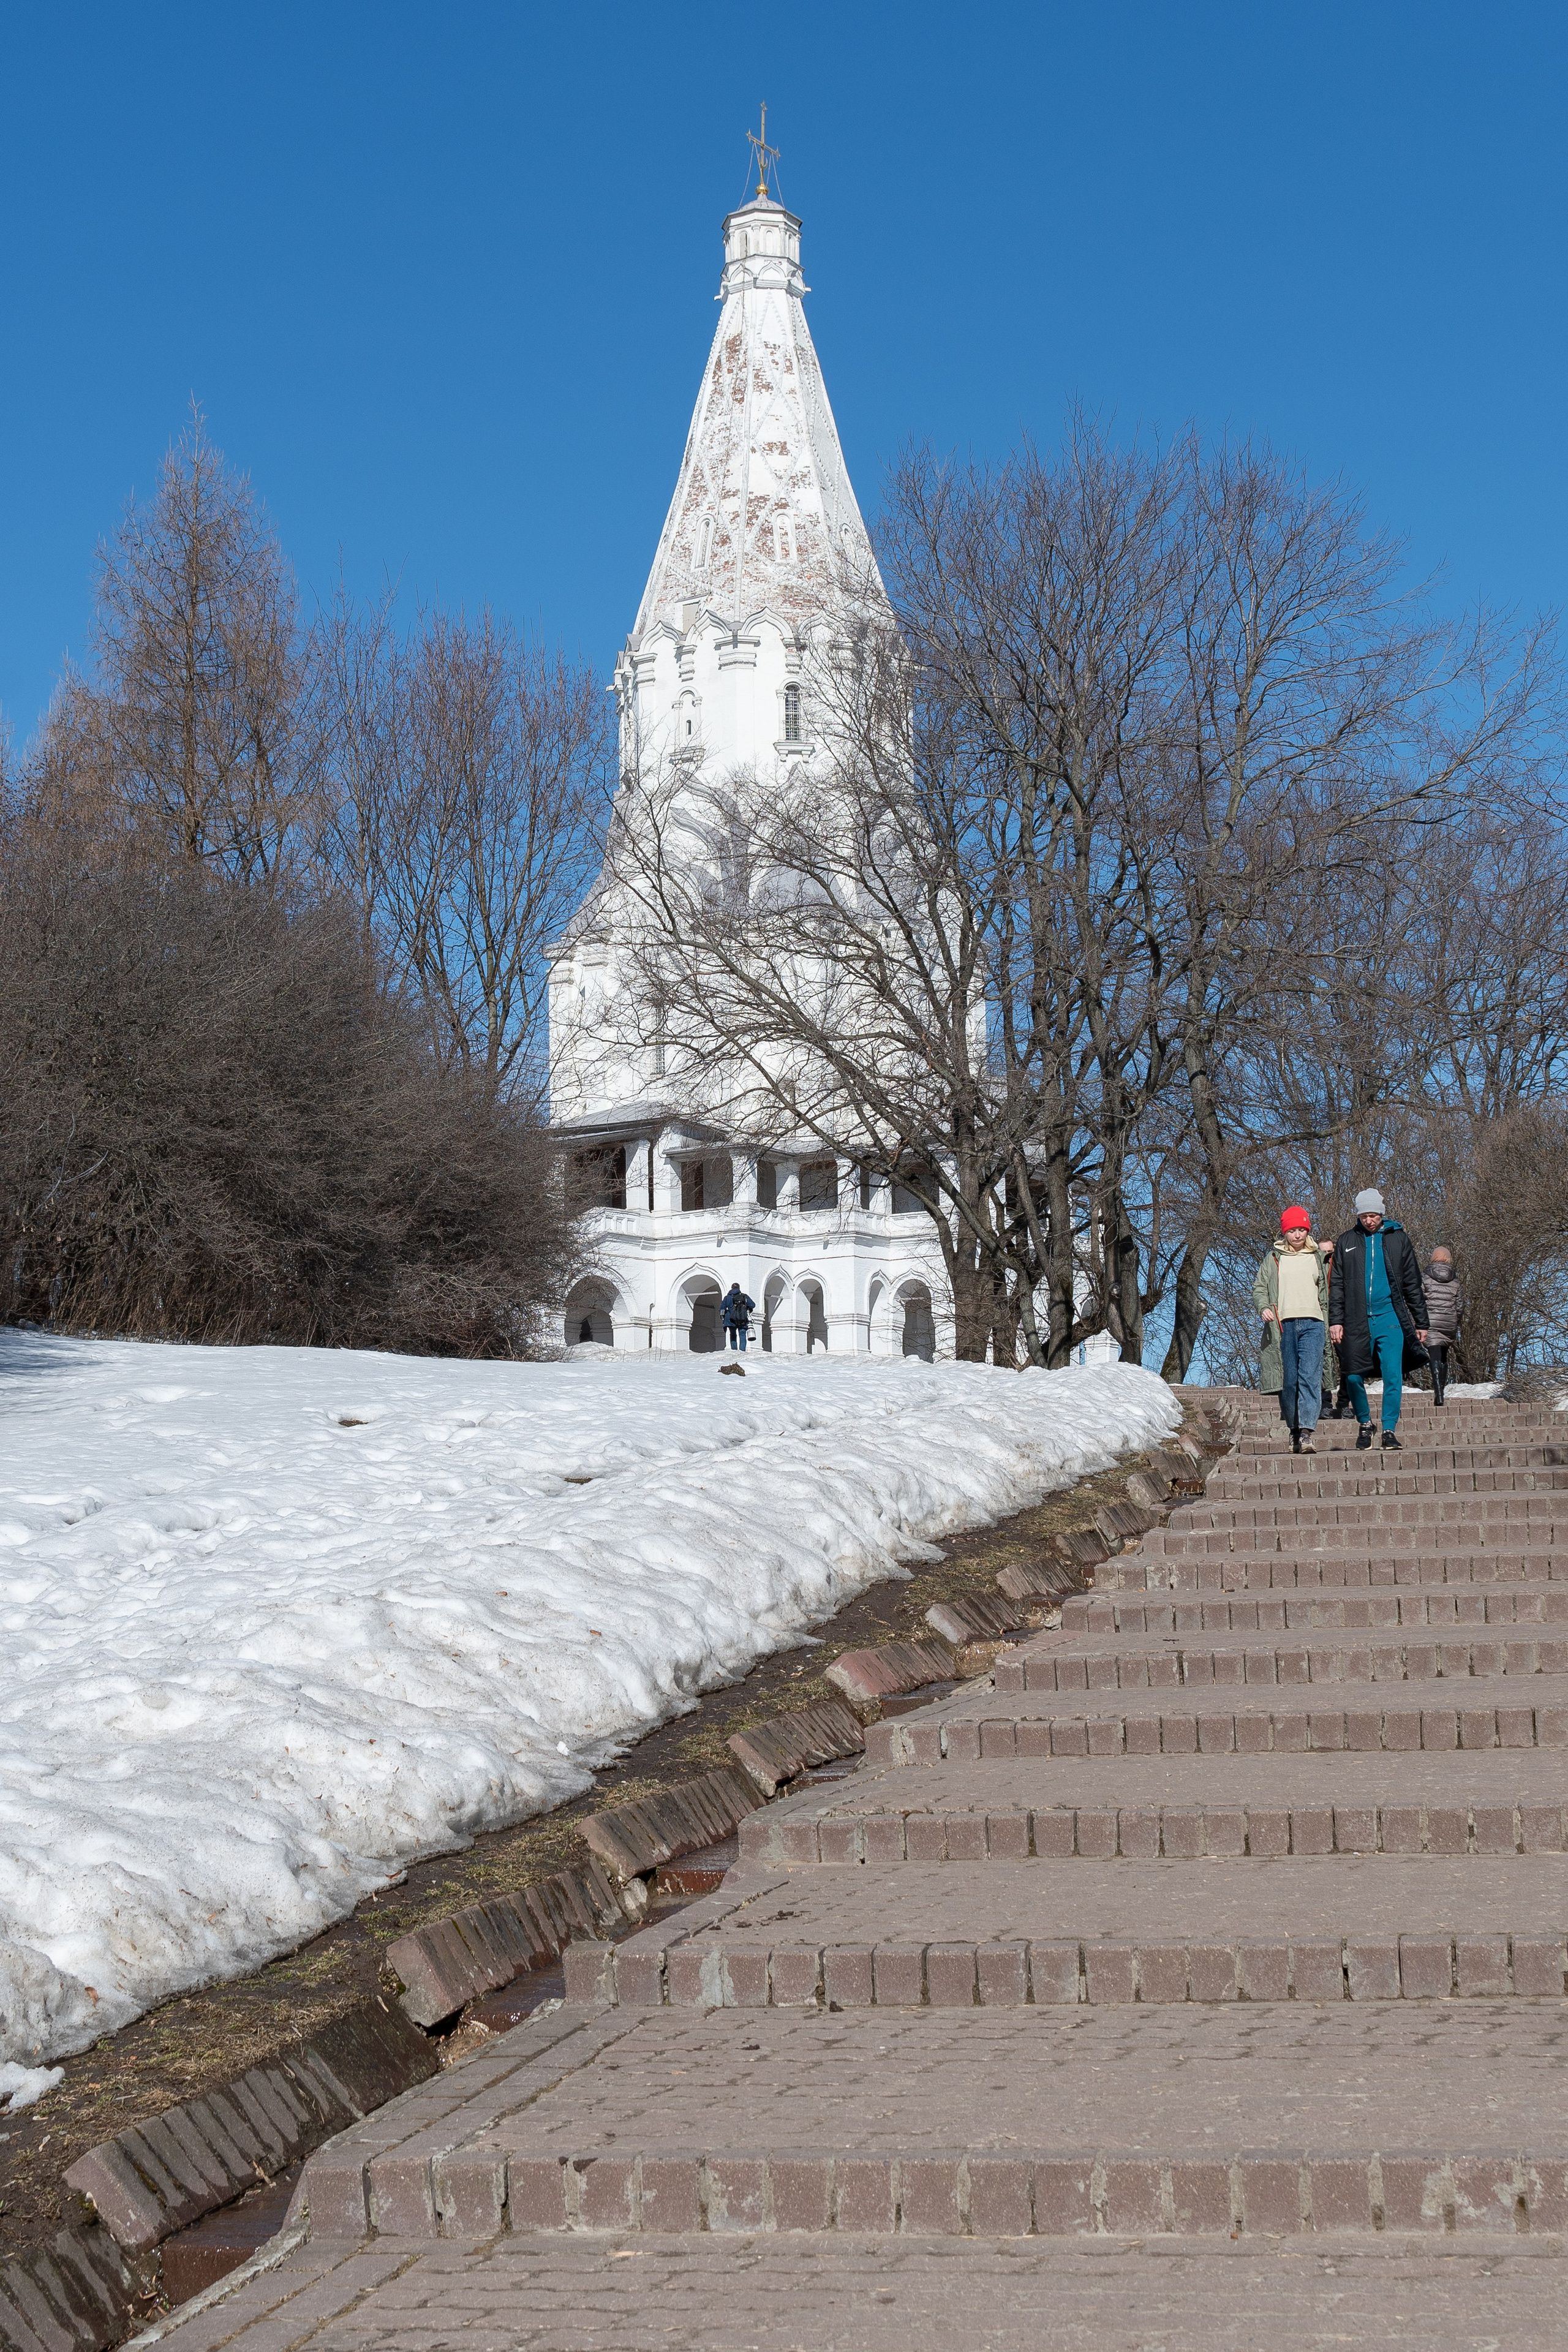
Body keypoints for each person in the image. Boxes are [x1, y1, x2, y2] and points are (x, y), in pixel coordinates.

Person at [1328, 1188, 1431, 1451]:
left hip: (1390, 1318)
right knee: (1352, 1376)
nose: (1369, 1220)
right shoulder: (1347, 1240)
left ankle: (1388, 1430)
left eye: (1373, 1215)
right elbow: (1336, 1284)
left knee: (1393, 1376)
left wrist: (1421, 1322)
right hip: (1355, 1319)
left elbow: (1412, 1283)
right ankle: (1365, 1423)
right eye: (1364, 1216)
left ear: (1382, 1214)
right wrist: (1336, 1320)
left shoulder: (1399, 1239)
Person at [1254, 1206, 1332, 1453]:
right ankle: (1294, 1430)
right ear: (1284, 1232)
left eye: (1301, 1230)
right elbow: (1260, 1287)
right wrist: (1264, 1307)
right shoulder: (1274, 1258)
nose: (1297, 1235)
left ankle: (1307, 1433)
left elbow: (1330, 1291)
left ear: (1307, 1230)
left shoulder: (1319, 1257)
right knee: (1289, 1381)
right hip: (1283, 1326)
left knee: (1310, 1378)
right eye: (1292, 1231)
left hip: (1314, 1324)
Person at [1422, 1246, 1462, 1406]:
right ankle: (1441, 1391)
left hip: (1430, 1322)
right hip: (1449, 1322)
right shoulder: (1455, 1280)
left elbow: (1418, 1301)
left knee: (1435, 1356)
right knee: (1444, 1357)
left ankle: (1438, 1393)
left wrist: (1417, 1322)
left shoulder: (1425, 1277)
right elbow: (1460, 1306)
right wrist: (1455, 1321)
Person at [720, 1281, 755, 1351]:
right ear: (739, 1288)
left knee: (733, 1334)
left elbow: (722, 1308)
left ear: (732, 1288)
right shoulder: (744, 1296)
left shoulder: (727, 1298)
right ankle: (742, 1351)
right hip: (742, 1318)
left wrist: (723, 1316)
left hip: (731, 1319)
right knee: (742, 1334)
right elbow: (753, 1305)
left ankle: (734, 1350)